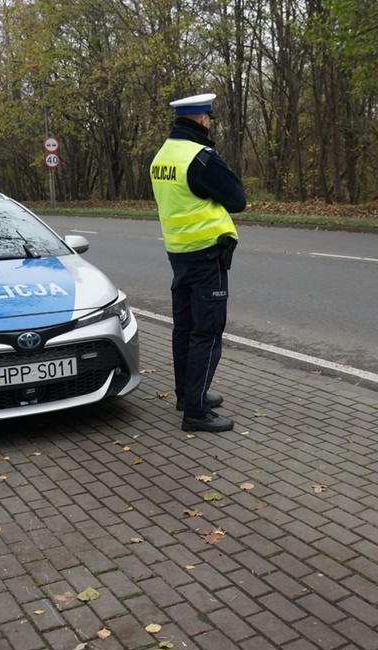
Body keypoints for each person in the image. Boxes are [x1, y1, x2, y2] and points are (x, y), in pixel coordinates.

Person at [150, 93, 246, 433]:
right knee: (207, 331)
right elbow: (237, 198)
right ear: (203, 120)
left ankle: (186, 395)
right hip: (207, 255)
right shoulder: (200, 157)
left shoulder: (162, 156)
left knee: (185, 329)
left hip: (179, 255)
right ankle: (196, 411)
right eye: (209, 118)